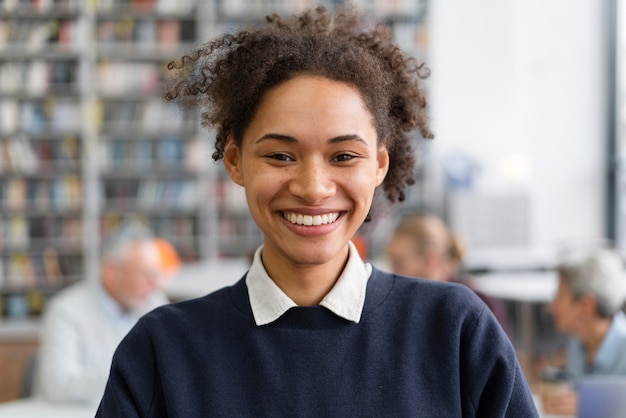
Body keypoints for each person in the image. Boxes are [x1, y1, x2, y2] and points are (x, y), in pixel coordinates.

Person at [97, 6, 538, 416]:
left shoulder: (456, 330)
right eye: (280, 157)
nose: (313, 189)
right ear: (234, 161)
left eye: (344, 156)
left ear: (379, 165)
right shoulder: (162, 350)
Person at [36, 222, 177, 403]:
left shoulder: (153, 301)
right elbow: (58, 387)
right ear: (112, 273)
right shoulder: (66, 310)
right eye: (145, 275)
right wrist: (131, 370)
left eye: (157, 275)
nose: (156, 285)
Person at [386, 212, 512, 337]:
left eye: (399, 263)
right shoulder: (406, 305)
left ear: (431, 260)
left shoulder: (476, 306)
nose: (392, 271)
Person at [542, 247, 626, 416]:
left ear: (585, 306)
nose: (551, 307)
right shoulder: (577, 342)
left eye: (559, 296)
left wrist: (594, 408)